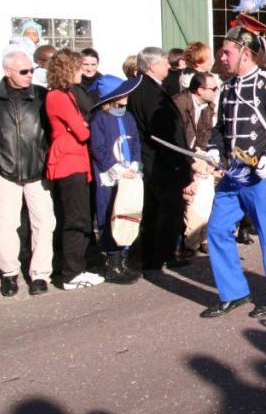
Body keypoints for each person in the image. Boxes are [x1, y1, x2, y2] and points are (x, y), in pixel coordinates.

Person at [201, 14, 266, 318]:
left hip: (262, 175)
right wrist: (215, 150)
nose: (221, 57)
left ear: (245, 54)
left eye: (226, 52)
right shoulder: (228, 88)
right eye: (221, 52)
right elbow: (221, 129)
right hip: (234, 174)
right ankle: (234, 292)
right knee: (217, 229)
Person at [0, 50, 55, 297]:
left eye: (31, 70)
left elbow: (52, 130)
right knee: (6, 225)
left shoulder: (42, 96)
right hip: (5, 170)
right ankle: (9, 274)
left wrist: (46, 158)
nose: (30, 74)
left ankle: (40, 274)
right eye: (24, 71)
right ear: (8, 72)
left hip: (37, 170)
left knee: (43, 224)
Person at [45, 50, 105, 290]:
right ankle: (72, 272)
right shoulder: (58, 96)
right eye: (78, 67)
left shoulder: (67, 94)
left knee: (80, 216)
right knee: (76, 218)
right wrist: (81, 125)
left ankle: (77, 268)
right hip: (68, 160)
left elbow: (81, 127)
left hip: (76, 159)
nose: (83, 71)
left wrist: (81, 125)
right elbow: (82, 131)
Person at [127, 47, 191, 273]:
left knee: (155, 211)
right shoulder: (150, 93)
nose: (168, 66)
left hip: (152, 160)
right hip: (161, 162)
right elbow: (162, 133)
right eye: (165, 62)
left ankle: (152, 256)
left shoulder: (141, 88)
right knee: (167, 212)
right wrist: (177, 162)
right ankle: (162, 256)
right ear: (153, 66)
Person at [89, 75, 143, 285]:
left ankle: (123, 260)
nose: (127, 96)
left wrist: (135, 164)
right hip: (110, 176)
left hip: (130, 174)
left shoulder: (128, 116)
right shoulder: (99, 118)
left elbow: (135, 142)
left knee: (127, 212)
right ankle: (112, 264)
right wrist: (117, 169)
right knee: (108, 213)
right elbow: (99, 148)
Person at [174, 72, 218, 259]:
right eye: (213, 89)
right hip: (177, 157)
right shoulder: (179, 104)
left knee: (206, 190)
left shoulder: (208, 107)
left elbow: (205, 136)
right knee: (185, 199)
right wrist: (191, 165)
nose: (216, 92)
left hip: (196, 153)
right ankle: (182, 242)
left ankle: (201, 237)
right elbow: (177, 138)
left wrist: (205, 158)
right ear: (200, 90)